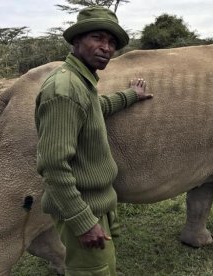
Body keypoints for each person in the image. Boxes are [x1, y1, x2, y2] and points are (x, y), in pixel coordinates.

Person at [35, 6, 152, 276]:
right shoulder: (64, 88)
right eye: (97, 38)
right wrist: (83, 222)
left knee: (101, 266)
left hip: (94, 203)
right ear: (77, 41)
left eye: (111, 42)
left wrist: (131, 95)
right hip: (83, 207)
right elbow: (53, 165)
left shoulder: (80, 81)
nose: (106, 47)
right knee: (92, 269)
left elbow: (94, 107)